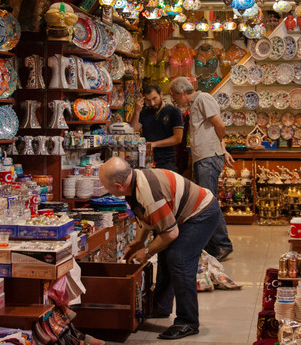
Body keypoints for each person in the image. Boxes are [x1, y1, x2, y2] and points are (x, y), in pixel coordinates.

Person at [99, 157, 222, 340]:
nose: (105, 190)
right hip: (182, 214)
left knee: (178, 259)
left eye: (106, 187)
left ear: (118, 186)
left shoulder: (149, 194)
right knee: (166, 254)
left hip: (201, 213)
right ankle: (161, 307)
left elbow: (170, 234)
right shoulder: (135, 181)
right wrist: (139, 242)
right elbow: (147, 217)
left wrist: (146, 252)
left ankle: (187, 322)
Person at [168, 76, 234, 261]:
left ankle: (223, 245)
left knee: (208, 202)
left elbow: (219, 124)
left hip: (208, 157)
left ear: (182, 93)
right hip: (203, 157)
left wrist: (219, 145)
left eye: (175, 97)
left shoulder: (203, 98)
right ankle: (215, 244)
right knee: (205, 201)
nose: (175, 101)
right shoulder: (196, 103)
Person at [130, 84, 184, 171]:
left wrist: (155, 144)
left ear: (161, 94)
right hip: (146, 160)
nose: (152, 103)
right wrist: (136, 112)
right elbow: (132, 131)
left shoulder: (173, 111)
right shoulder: (144, 112)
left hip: (166, 159)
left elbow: (178, 138)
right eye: (148, 100)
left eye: (154, 98)